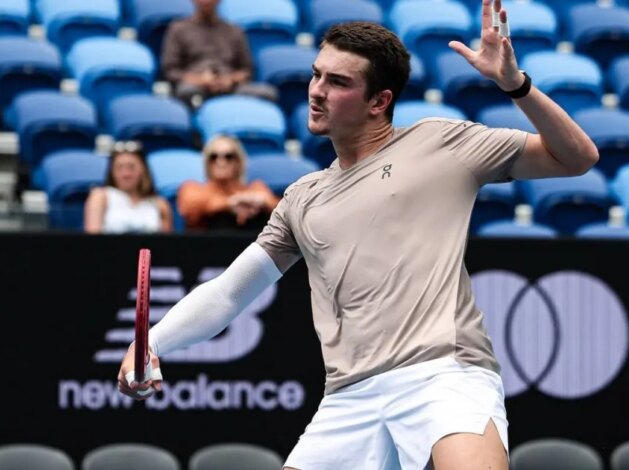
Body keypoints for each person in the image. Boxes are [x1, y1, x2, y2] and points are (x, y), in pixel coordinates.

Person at [118, 2, 599, 468]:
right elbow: (228, 293)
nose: (316, 90)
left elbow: (577, 158)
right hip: (350, 396)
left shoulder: (442, 143)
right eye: (316, 74)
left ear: (379, 101)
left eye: (338, 82)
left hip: (444, 375)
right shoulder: (303, 198)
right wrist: (153, 342)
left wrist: (516, 86)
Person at [161, 0, 278, 109]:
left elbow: (247, 70)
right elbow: (170, 71)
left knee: (267, 93)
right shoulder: (178, 30)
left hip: (230, 86)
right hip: (195, 86)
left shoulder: (234, 31)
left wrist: (230, 79)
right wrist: (200, 80)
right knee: (186, 92)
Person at [177, 135, 279, 231]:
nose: (221, 162)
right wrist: (230, 203)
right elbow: (188, 207)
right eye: (214, 157)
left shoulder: (255, 188)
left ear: (238, 162)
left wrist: (261, 202)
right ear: (207, 163)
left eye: (228, 156)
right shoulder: (193, 189)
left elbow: (282, 211)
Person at [84, 141, 172, 234]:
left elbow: (165, 245)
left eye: (131, 167)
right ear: (112, 172)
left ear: (143, 169)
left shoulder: (161, 205)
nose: (125, 174)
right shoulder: (100, 197)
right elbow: (92, 242)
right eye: (119, 168)